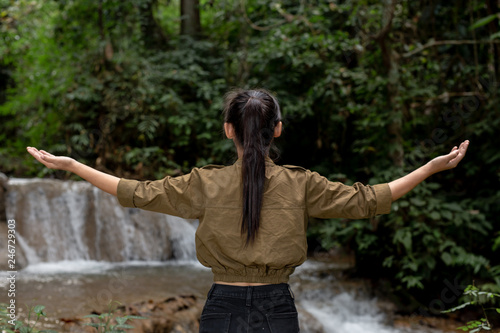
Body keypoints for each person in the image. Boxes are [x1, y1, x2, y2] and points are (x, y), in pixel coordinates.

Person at [27, 88, 469, 333]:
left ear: (227, 131)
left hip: (222, 307)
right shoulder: (301, 183)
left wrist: (72, 165)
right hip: (278, 308)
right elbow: (368, 199)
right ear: (277, 129)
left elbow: (135, 192)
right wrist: (429, 168)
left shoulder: (204, 183)